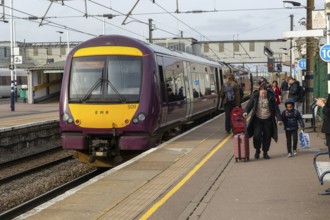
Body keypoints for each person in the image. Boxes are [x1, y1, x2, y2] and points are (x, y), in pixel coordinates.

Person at [243, 82, 283, 159]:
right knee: (257, 135)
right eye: (262, 94)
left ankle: (265, 152)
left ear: (267, 92)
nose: (263, 95)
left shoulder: (271, 97)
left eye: (265, 93)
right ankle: (257, 150)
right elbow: (249, 105)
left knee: (267, 137)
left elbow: (276, 109)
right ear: (259, 92)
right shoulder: (255, 96)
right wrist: (245, 112)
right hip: (257, 119)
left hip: (268, 119)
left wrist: (279, 119)